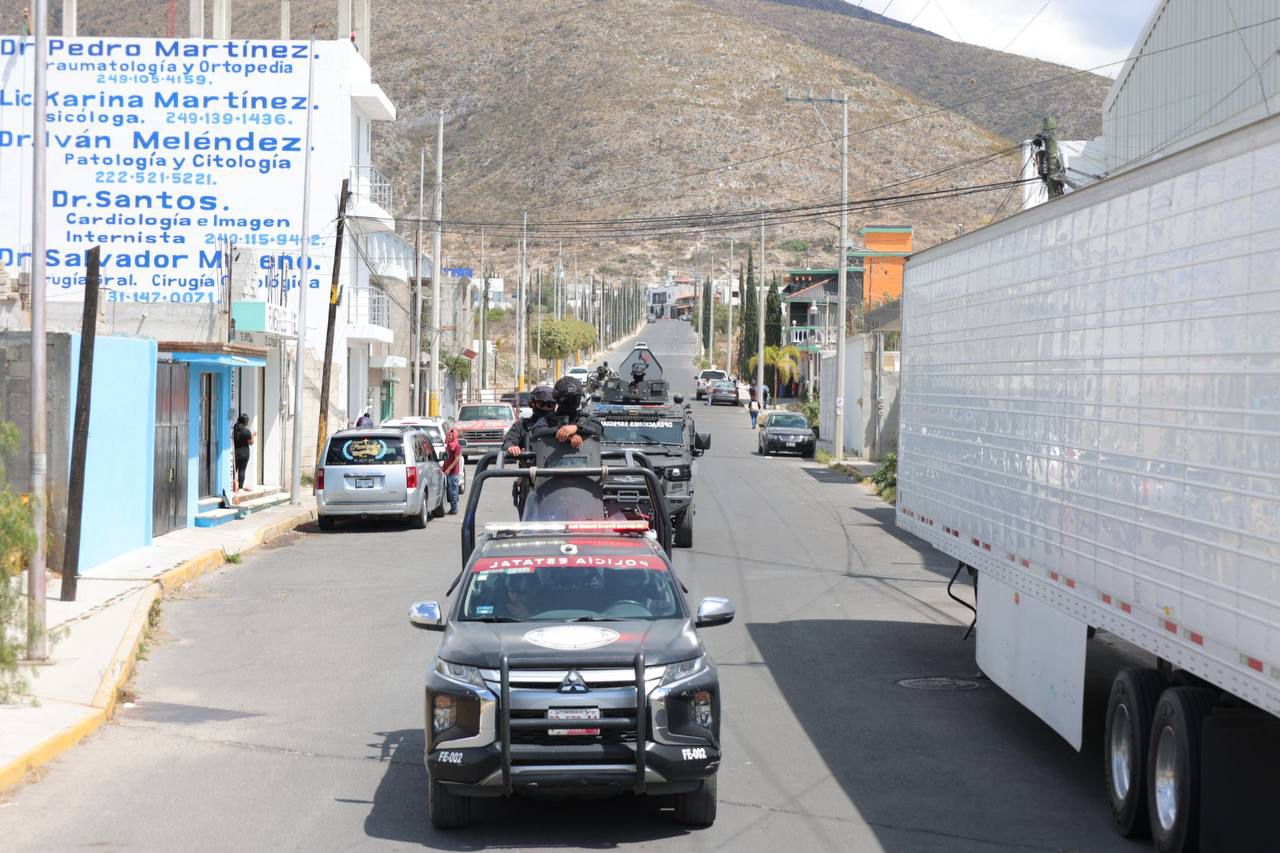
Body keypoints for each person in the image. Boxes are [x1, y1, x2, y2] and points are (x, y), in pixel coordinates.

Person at [442, 427, 463, 514]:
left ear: (455, 436)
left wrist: (449, 468)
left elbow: (457, 459)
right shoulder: (448, 446)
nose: (450, 436)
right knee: (451, 491)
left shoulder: (457, 446)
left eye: (452, 435)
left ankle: (454, 509)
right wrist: (443, 467)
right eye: (449, 435)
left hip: (453, 472)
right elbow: (446, 458)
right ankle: (453, 508)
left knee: (453, 491)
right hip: (448, 471)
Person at [232, 414, 254, 490]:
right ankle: (240, 487)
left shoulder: (234, 430)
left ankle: (233, 486)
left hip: (235, 452)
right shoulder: (246, 431)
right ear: (245, 422)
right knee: (242, 470)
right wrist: (252, 435)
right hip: (244, 453)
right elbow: (251, 442)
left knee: (234, 470)